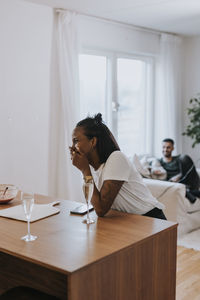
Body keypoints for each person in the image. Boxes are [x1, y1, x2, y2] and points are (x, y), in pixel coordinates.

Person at [69, 113, 166, 220]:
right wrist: (86, 170)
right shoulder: (93, 168)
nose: (72, 147)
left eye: (76, 141)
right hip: (127, 219)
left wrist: (85, 170)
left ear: (93, 141)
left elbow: (101, 209)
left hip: (150, 219)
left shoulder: (116, 158)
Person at [151, 138, 200, 203]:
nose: (165, 149)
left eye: (168, 147)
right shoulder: (158, 162)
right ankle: (189, 192)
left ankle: (188, 191)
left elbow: (188, 171)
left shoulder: (178, 159)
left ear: (172, 148)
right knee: (175, 186)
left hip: (185, 181)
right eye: (163, 147)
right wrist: (152, 170)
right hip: (172, 184)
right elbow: (150, 168)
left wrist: (179, 176)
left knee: (185, 158)